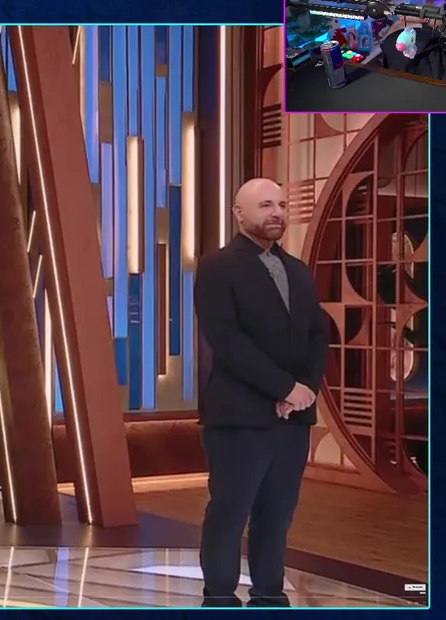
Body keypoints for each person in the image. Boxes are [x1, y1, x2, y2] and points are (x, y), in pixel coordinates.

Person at [192, 178, 330, 608]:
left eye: (283, 205)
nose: (277, 213)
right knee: (230, 512)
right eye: (266, 205)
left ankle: (270, 595)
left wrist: (304, 391)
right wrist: (284, 387)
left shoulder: (298, 271)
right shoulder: (217, 266)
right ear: (239, 213)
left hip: (293, 418)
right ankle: (219, 598)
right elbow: (226, 340)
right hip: (240, 417)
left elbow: (317, 335)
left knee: (277, 515)